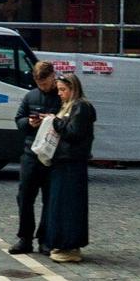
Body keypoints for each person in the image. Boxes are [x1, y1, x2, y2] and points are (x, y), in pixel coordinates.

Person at [43, 72, 95, 263]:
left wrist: (54, 121)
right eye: (59, 90)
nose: (60, 93)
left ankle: (69, 244)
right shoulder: (69, 107)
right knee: (60, 205)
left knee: (68, 206)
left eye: (63, 90)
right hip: (63, 162)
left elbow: (73, 132)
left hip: (72, 163)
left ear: (73, 89)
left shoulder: (81, 107)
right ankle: (61, 242)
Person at [11, 60, 62, 255]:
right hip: (31, 153)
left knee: (49, 199)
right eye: (39, 83)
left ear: (52, 76)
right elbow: (18, 119)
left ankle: (44, 239)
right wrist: (29, 123)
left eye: (46, 83)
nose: (43, 86)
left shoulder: (61, 95)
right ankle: (25, 238)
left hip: (53, 155)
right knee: (24, 197)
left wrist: (52, 120)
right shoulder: (30, 96)